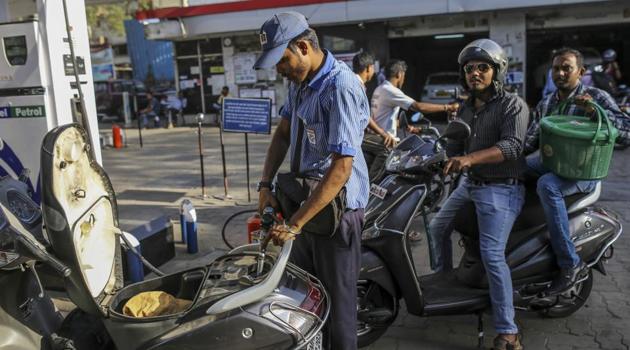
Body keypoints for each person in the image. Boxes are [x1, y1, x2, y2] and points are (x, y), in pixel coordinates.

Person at [253, 11, 370, 350]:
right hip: (307, 206)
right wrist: (265, 185)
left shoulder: (341, 87)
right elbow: (284, 132)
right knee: (307, 296)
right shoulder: (301, 84)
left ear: (303, 47)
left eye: (282, 59)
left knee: (338, 309)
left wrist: (295, 224)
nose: (279, 69)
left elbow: (341, 168)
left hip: (336, 213)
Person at [426, 39, 529, 350]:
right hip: (471, 184)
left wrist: (469, 160)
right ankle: (445, 284)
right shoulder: (466, 107)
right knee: (436, 227)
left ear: (497, 71)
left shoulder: (513, 105)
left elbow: (512, 147)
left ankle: (508, 331)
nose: (475, 73)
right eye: (470, 68)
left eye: (483, 67)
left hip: (502, 188)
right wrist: (431, 154)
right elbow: (453, 145)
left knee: (492, 256)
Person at [523, 47, 630, 295]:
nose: (560, 73)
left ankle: (570, 264)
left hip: (584, 172)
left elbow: (626, 133)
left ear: (580, 72)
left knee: (547, 185)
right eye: (556, 68)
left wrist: (595, 114)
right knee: (517, 169)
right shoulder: (548, 102)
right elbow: (530, 141)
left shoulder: (597, 97)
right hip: (553, 162)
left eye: (566, 68)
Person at [367, 59, 459, 182]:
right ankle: (370, 191)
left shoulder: (379, 89)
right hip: (384, 139)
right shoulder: (391, 91)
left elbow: (382, 116)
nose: (403, 79)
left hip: (375, 135)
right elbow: (418, 107)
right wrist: (447, 107)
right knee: (384, 172)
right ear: (399, 74)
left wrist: (408, 127)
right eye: (404, 75)